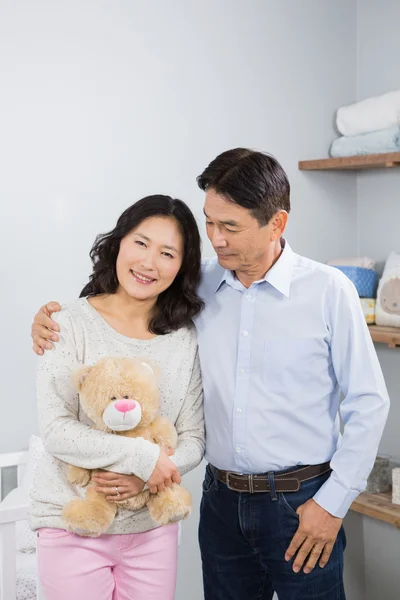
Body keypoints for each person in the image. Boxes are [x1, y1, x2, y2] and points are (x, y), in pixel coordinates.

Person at [31, 149, 390, 600]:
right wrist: (49, 320)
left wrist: (333, 504)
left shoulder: (327, 291)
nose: (216, 239)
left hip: (302, 502)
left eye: (231, 227)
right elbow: (123, 305)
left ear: (276, 224)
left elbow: (369, 402)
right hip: (221, 504)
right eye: (210, 223)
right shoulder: (196, 286)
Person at [29, 194, 205, 600]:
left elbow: (193, 437)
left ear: (182, 267)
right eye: (141, 243)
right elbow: (57, 430)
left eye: (167, 253)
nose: (148, 262)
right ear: (119, 243)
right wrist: (143, 460)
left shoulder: (184, 339)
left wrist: (150, 472)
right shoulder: (65, 323)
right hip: (72, 522)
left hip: (152, 531)